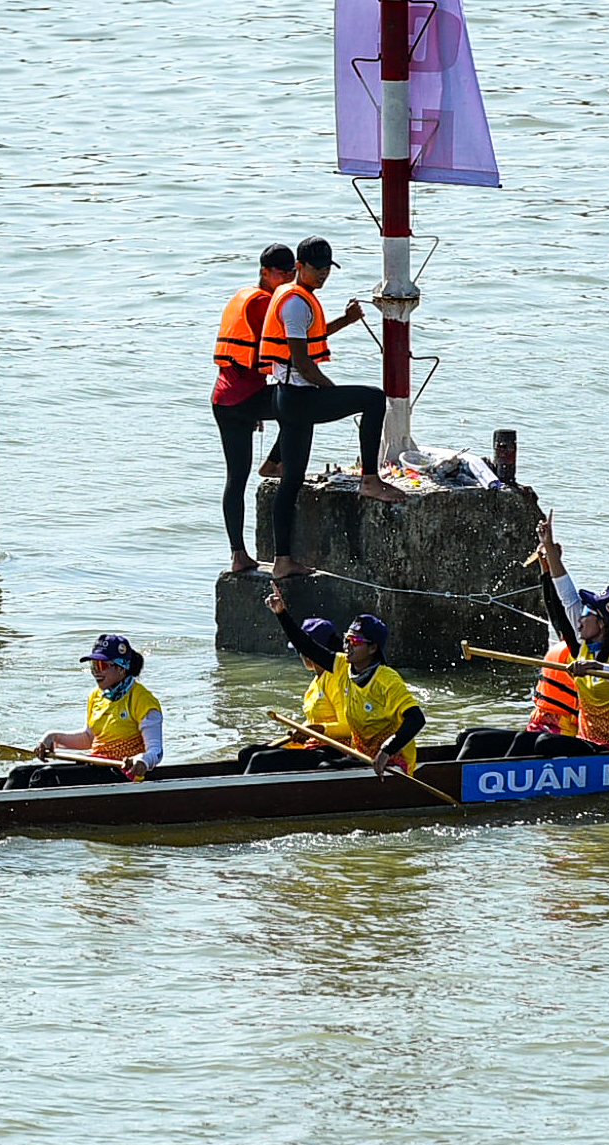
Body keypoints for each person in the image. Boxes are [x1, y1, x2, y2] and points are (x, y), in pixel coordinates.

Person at [258, 234, 404, 581]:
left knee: (290, 481)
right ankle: (370, 479)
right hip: (298, 398)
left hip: (288, 398)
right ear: (299, 267)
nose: (322, 275)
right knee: (371, 398)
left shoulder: (299, 298)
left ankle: (282, 562)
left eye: (327, 269)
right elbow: (303, 362)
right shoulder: (294, 303)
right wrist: (333, 393)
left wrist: (346, 320)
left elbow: (312, 336)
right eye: (316, 269)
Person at [454, 513, 586, 761]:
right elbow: (555, 608)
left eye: (589, 617)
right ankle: (450, 778)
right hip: (538, 729)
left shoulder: (585, 652)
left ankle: (481, 786)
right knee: (468, 736)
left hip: (562, 738)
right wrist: (545, 566)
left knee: (523, 741)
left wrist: (550, 550)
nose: (581, 619)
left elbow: (567, 600)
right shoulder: (568, 641)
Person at [262, 587, 425, 775]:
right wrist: (281, 613)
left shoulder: (387, 680)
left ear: (373, 648)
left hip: (392, 761)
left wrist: (386, 750)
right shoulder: (341, 665)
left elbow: (416, 719)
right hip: (361, 754)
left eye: (355, 641)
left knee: (325, 769)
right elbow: (306, 645)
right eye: (347, 639)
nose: (347, 646)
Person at [212, 243, 295, 574]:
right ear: (265, 272)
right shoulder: (262, 301)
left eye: (291, 273)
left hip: (224, 399)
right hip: (243, 399)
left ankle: (238, 554)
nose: (286, 279)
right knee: (301, 405)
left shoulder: (241, 295)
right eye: (281, 273)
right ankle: (275, 462)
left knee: (235, 478)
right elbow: (280, 348)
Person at [512, 566, 609, 757]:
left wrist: (598, 667)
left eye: (587, 611)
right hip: (585, 741)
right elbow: (562, 605)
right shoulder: (584, 651)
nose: (580, 617)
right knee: (474, 737)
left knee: (544, 742)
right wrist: (548, 557)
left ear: (602, 623)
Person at [4, 636, 164, 788]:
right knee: (18, 775)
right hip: (95, 765)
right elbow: (89, 738)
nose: (95, 672)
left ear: (121, 668)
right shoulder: (95, 696)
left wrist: (143, 760)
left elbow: (156, 751)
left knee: (46, 777)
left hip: (123, 772)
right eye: (93, 665)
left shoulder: (143, 700)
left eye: (101, 666)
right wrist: (53, 737)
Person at [234, 617, 351, 772]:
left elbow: (349, 727)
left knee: (260, 760)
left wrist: (316, 730)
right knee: (248, 752)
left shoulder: (339, 678)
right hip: (315, 743)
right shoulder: (317, 681)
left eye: (299, 650)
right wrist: (288, 738)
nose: (300, 656)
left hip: (336, 750)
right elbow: (312, 722)